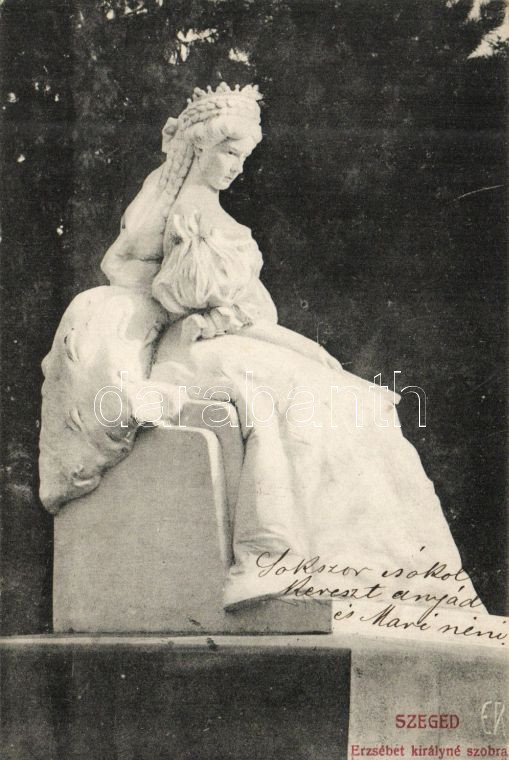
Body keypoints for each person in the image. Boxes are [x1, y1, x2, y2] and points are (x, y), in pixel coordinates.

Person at [40, 83, 485, 612]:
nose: (236, 167)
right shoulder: (166, 206)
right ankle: (269, 554)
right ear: (199, 146)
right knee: (286, 397)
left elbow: (251, 315)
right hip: (189, 348)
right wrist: (170, 297)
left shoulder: (222, 220)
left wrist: (305, 350)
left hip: (237, 339)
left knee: (355, 399)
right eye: (228, 152)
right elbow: (130, 268)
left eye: (242, 157)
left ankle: (394, 575)